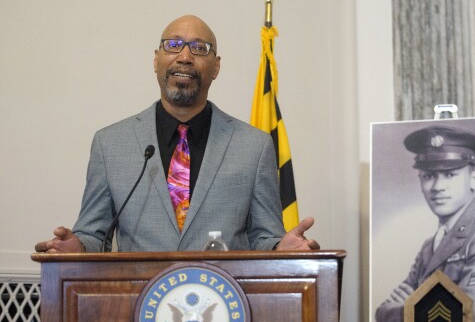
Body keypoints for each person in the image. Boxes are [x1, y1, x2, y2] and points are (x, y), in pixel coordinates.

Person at [35, 15, 319, 254]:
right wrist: (79, 248)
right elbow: (94, 234)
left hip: (224, 304)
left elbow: (264, 237)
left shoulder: (254, 146)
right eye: (172, 46)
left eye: (199, 48)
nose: (185, 57)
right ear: (156, 60)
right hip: (138, 306)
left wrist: (279, 249)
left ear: (216, 66)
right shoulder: (110, 144)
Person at [375, 125, 475, 322]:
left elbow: (469, 319)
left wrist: (407, 307)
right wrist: (416, 309)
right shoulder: (430, 246)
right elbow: (382, 315)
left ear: (474, 179)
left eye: (451, 175)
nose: (437, 187)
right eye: (428, 176)